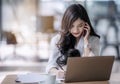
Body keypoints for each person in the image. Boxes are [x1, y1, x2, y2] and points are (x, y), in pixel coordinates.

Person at [46, 4, 100, 79]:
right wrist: (58, 73)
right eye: (71, 26)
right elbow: (50, 67)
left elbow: (95, 68)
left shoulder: (93, 40)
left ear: (86, 24)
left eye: (80, 25)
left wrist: (86, 44)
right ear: (66, 24)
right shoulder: (57, 40)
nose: (75, 30)